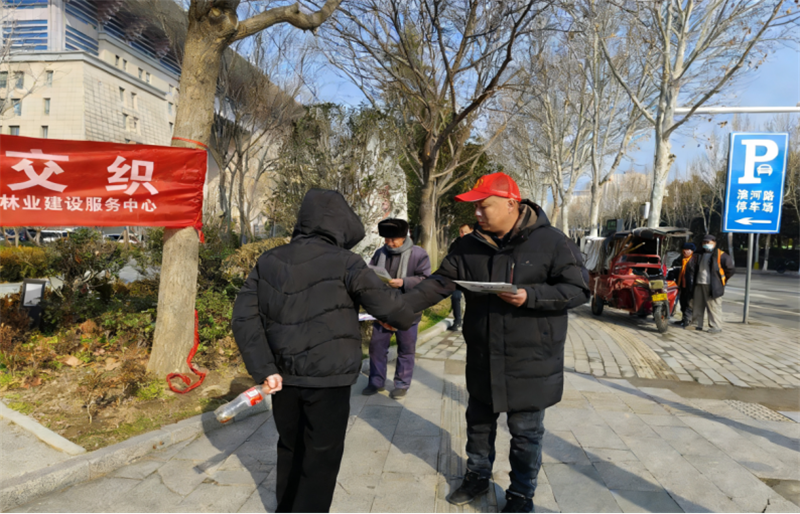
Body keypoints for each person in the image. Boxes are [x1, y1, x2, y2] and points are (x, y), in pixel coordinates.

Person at [404, 172, 590, 513]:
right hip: (483, 356)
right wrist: (400, 309)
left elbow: (578, 289)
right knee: (478, 424)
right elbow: (440, 282)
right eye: (474, 207)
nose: (477, 214)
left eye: (483, 206)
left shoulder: (551, 242)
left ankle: (521, 494)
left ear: (511, 204)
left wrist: (530, 295)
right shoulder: (468, 245)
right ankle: (477, 476)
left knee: (525, 434)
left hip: (531, 359)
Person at [231, 189, 416, 513]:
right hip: (329, 380)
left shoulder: (270, 260)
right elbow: (397, 314)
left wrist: (264, 370)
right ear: (340, 225)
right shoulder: (348, 263)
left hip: (282, 378)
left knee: (289, 446)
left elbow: (244, 318)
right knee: (321, 456)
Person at [363, 218, 431, 399]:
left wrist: (404, 282)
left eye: (393, 239)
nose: (389, 243)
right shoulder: (379, 253)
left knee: (406, 348)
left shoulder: (418, 254)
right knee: (377, 347)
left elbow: (427, 280)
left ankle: (402, 384)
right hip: (383, 310)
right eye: (386, 239)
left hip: (408, 310)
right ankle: (376, 381)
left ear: (404, 236)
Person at [691, 234, 735, 334]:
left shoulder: (721, 255)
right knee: (697, 305)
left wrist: (723, 279)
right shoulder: (698, 254)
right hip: (699, 283)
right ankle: (696, 324)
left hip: (713, 285)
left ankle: (716, 326)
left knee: (713, 306)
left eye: (708, 242)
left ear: (714, 243)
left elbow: (731, 269)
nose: (706, 244)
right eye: (704, 242)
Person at [448, 223, 474, 332]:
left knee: (472, 300)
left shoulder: (476, 244)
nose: (463, 234)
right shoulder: (455, 244)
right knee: (455, 297)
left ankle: (471, 321)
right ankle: (457, 320)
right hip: (458, 277)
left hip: (472, 277)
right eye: (461, 232)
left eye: (465, 232)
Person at [671, 242, 696, 328]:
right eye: (684, 249)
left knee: (689, 304)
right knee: (683, 303)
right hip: (682, 285)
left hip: (691, 286)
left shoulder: (694, 260)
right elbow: (674, 269)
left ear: (692, 251)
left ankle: (688, 321)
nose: (686, 252)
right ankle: (683, 319)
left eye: (688, 250)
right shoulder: (680, 260)